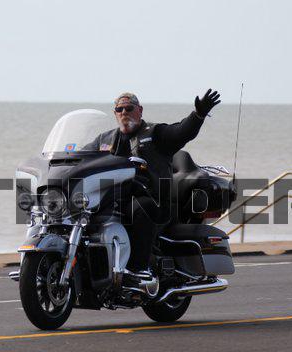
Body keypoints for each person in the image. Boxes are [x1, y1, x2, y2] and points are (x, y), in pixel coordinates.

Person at [84, 89, 221, 277]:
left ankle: (139, 269)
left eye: (129, 108)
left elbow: (181, 132)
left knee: (140, 208)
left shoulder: (156, 134)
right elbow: (81, 158)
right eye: (119, 109)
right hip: (113, 200)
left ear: (139, 110)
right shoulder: (104, 140)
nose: (124, 112)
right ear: (115, 113)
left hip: (153, 200)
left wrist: (198, 115)